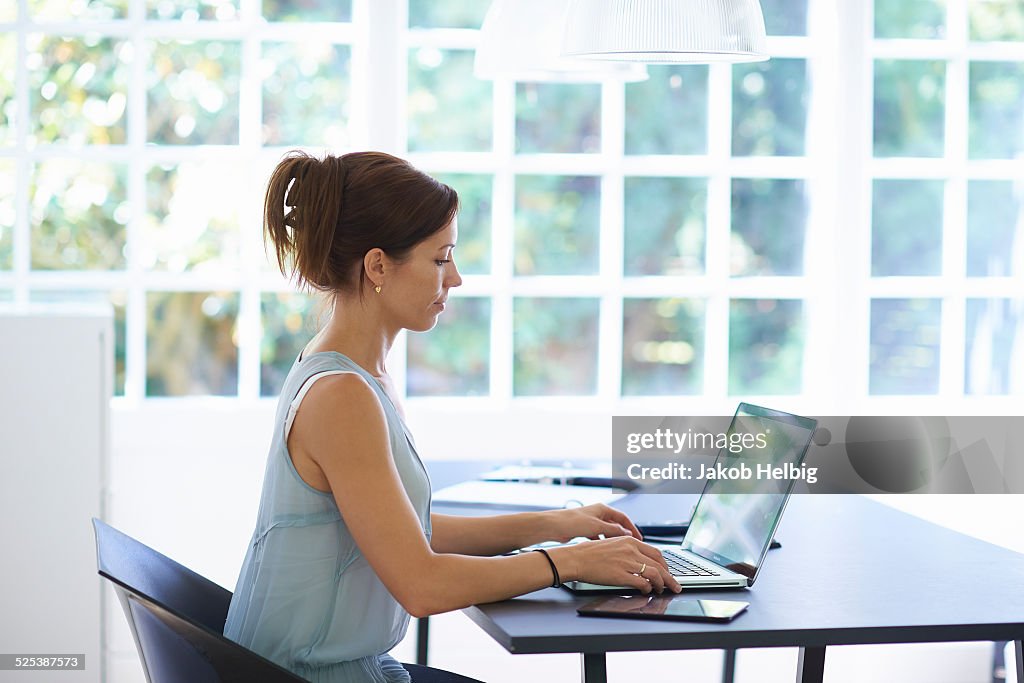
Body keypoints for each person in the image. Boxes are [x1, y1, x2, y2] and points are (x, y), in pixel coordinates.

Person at [224, 150, 681, 683]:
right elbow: (421, 584)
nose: (456, 278)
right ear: (377, 266)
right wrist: (570, 563)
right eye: (441, 259)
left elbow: (406, 534)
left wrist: (555, 525)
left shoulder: (355, 374)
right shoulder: (341, 396)